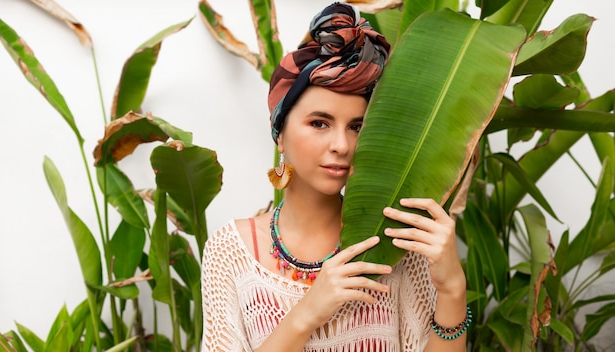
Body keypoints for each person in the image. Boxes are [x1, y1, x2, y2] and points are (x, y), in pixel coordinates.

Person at [201, 2, 468, 351]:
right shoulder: (231, 252)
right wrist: (307, 313)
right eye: (319, 123)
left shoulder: (396, 243)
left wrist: (452, 289)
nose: (341, 145)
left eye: (357, 126)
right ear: (280, 132)